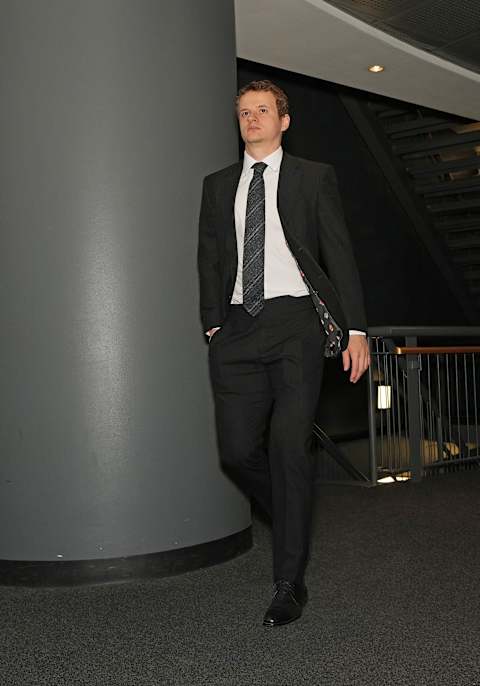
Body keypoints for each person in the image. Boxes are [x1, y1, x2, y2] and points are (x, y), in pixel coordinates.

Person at [198, 80, 369, 627]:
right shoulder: (217, 184)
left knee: (288, 448)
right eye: (244, 112)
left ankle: (288, 583)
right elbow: (208, 255)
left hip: (295, 321)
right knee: (236, 450)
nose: (251, 118)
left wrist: (357, 329)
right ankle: (294, 515)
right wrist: (212, 324)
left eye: (262, 110)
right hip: (238, 328)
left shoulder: (313, 178)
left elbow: (338, 252)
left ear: (284, 121)